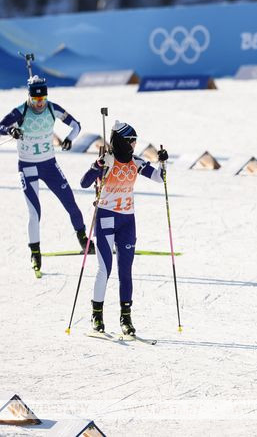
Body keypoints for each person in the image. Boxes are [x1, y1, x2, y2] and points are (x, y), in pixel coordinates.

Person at [80, 122, 168, 337]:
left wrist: (163, 163)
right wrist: (97, 165)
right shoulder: (108, 160)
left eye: (135, 141)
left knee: (125, 271)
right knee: (105, 269)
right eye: (131, 141)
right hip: (106, 217)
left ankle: (126, 318)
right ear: (121, 141)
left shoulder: (136, 162)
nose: (134, 144)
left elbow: (159, 178)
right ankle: (97, 315)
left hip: (127, 220)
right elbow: (84, 183)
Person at [0, 76, 89, 276]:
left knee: (70, 203)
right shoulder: (20, 111)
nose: (40, 104)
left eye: (43, 99)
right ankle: (35, 252)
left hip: (49, 165)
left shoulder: (52, 108)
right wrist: (10, 130)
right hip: (28, 166)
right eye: (36, 100)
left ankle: (83, 239)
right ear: (29, 97)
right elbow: (0, 127)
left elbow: (76, 125)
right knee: (34, 212)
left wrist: (69, 139)